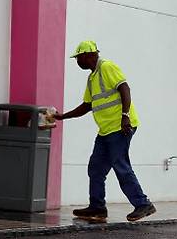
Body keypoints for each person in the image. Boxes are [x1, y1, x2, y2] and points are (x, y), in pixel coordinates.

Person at [54, 40, 156, 222]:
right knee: (96, 168)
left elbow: (125, 88)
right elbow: (87, 105)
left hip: (121, 127)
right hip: (105, 131)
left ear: (89, 55)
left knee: (121, 166)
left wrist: (125, 115)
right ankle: (97, 207)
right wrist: (62, 117)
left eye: (79, 58)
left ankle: (143, 204)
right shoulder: (92, 78)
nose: (77, 61)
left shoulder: (107, 67)